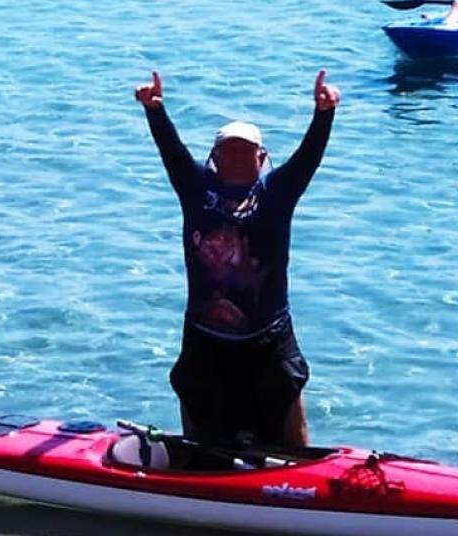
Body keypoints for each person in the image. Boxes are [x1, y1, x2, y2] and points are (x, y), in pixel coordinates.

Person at [134, 70, 341, 448]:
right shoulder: (197, 190)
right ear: (214, 157)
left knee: (289, 424)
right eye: (228, 150)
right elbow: (172, 153)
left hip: (268, 339)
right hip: (205, 339)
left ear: (262, 158)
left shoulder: (276, 194)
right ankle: (194, 474)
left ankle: (297, 479)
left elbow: (307, 159)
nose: (237, 157)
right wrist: (154, 110)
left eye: (245, 151)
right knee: (199, 425)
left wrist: (323, 114)